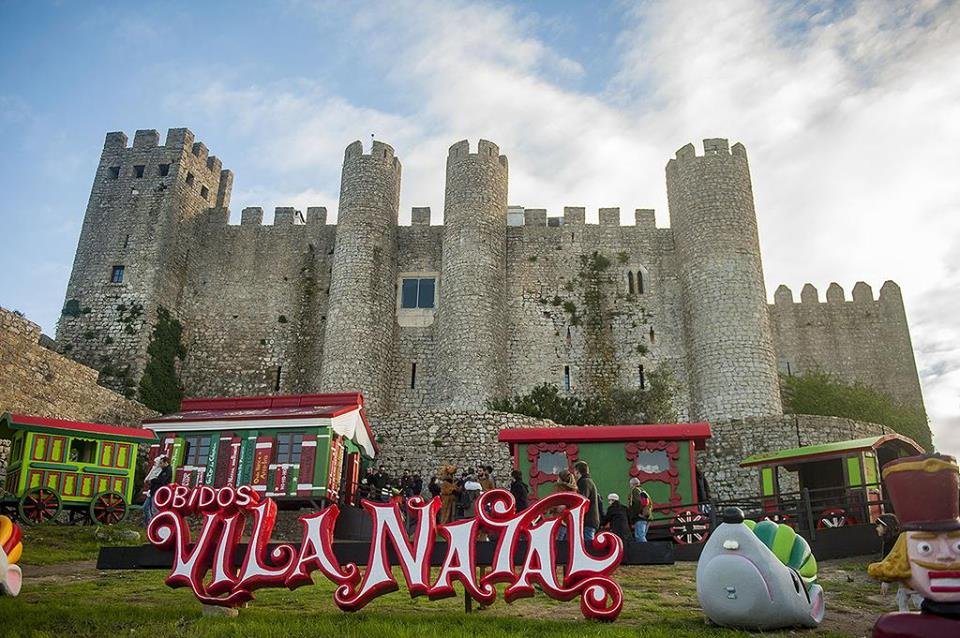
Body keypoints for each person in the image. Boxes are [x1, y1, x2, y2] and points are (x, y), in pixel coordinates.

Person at [874, 514, 922, 612]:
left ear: (886, 527)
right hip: (906, 575)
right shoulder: (891, 540)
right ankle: (905, 620)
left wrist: (886, 580)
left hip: (910, 575)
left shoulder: (893, 542)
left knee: (918, 602)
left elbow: (890, 561)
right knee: (901, 599)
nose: (877, 528)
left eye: (879, 526)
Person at [574, 461, 601, 542]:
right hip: (591, 520)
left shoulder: (584, 482)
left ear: (577, 471)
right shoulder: (589, 482)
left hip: (587, 520)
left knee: (588, 546)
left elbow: (582, 500)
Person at [549, 470, 579, 541]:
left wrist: (551, 509)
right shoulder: (574, 490)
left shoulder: (559, 488)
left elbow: (554, 502)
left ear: (560, 478)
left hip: (558, 520)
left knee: (557, 543)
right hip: (569, 521)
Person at [142, 454, 170, 526]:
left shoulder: (167, 470)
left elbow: (162, 481)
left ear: (164, 462)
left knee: (154, 509)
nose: (159, 465)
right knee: (145, 507)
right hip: (152, 490)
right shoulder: (160, 469)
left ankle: (155, 524)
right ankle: (149, 523)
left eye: (161, 463)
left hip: (158, 491)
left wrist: (153, 480)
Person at [627, 477, 653, 543]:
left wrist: (637, 514)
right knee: (642, 536)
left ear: (632, 484)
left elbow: (637, 503)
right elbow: (650, 504)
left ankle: (647, 551)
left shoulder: (635, 490)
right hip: (647, 517)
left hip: (640, 517)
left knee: (639, 537)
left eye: (630, 484)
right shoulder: (644, 491)